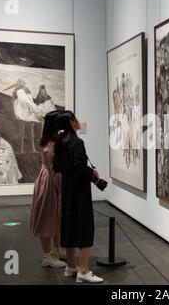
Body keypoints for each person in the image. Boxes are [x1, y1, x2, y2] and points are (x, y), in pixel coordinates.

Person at [53, 111, 104, 283]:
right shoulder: (77, 142)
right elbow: (80, 167)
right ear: (71, 122)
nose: (78, 121)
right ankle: (83, 270)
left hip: (67, 189)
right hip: (80, 192)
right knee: (83, 226)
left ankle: (70, 266)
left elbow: (57, 166)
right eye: (75, 118)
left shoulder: (60, 142)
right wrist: (93, 172)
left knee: (68, 225)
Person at [29, 111, 67, 268]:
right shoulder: (52, 145)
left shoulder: (50, 140)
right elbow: (55, 170)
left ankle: (57, 250)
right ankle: (48, 256)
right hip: (49, 183)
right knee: (47, 218)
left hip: (45, 180)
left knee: (55, 217)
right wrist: (62, 189)